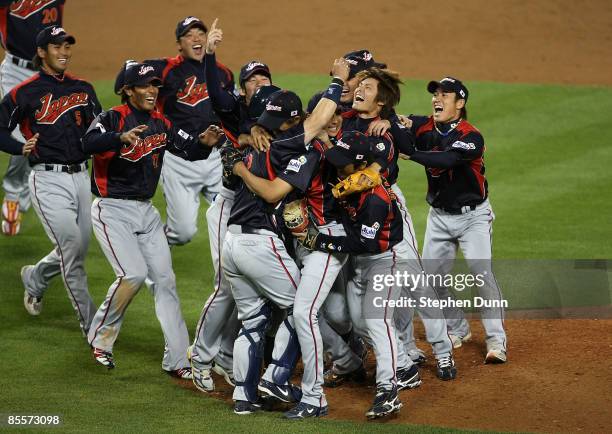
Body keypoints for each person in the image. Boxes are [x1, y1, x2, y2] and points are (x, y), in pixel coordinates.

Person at [221, 58, 350, 415]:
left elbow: (235, 158)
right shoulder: (290, 144)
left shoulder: (256, 144)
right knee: (300, 311)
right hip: (259, 243)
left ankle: (243, 398)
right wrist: (337, 81)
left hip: (230, 243)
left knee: (254, 321)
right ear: (292, 122)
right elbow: (275, 192)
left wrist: (237, 164)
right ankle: (276, 379)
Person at [82, 62, 224, 377]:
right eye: (145, 86)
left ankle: (176, 359)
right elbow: (87, 144)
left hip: (146, 212)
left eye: (155, 86)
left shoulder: (161, 122)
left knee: (165, 281)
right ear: (128, 90)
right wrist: (119, 138)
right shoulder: (111, 118)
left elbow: (188, 150)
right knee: (132, 274)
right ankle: (101, 338)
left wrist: (204, 143)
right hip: (112, 209)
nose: (152, 91)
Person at [336, 67, 457, 380]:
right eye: (359, 84)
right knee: (368, 296)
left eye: (368, 86)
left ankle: (443, 352)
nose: (359, 89)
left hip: (385, 207)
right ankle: (403, 358)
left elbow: (407, 148)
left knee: (414, 282)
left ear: (381, 102)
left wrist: (389, 119)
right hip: (351, 209)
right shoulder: (346, 117)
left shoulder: (387, 126)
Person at [187, 18, 277, 393]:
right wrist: (210, 53)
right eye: (252, 80)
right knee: (226, 285)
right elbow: (214, 90)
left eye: (263, 78)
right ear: (242, 89)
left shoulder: (277, 109)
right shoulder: (232, 109)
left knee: (251, 287)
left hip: (260, 210)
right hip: (227, 207)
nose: (259, 84)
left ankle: (226, 354)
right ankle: (200, 355)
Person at [294, 131, 408, 419]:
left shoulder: (375, 200)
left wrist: (322, 243)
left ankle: (389, 387)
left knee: (377, 320)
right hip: (360, 265)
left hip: (385, 261)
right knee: (360, 324)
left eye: (342, 162)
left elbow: (365, 243)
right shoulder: (349, 181)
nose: (335, 166)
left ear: (359, 166)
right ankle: (401, 365)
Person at [0, 25, 100, 333]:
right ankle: (94, 327)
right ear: (42, 52)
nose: (64, 52)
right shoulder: (24, 91)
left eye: (67, 46)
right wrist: (19, 147)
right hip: (47, 180)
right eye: (57, 47)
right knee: (73, 255)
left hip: (81, 179)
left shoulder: (83, 88)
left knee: (77, 249)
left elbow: (100, 128)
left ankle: (36, 277)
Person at [401, 77, 507, 363]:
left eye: (445, 95)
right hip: (440, 216)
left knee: (481, 275)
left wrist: (411, 153)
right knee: (433, 279)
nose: (437, 99)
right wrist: (392, 122)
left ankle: (497, 341)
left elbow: (447, 160)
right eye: (435, 94)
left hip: (473, 217)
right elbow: (400, 125)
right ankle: (458, 328)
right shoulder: (423, 125)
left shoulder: (471, 136)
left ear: (460, 103)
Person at [146, 16, 234, 246]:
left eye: (200, 34)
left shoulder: (223, 73)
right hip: (180, 161)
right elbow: (130, 76)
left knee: (232, 223)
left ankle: (229, 276)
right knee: (182, 232)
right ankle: (151, 248)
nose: (196, 39)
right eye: (189, 35)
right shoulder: (165, 70)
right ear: (179, 44)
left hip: (216, 160)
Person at [0, 0, 67, 235]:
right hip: (16, 71)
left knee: (46, 129)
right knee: (19, 135)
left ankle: (28, 186)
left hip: (49, 67)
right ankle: (12, 194)